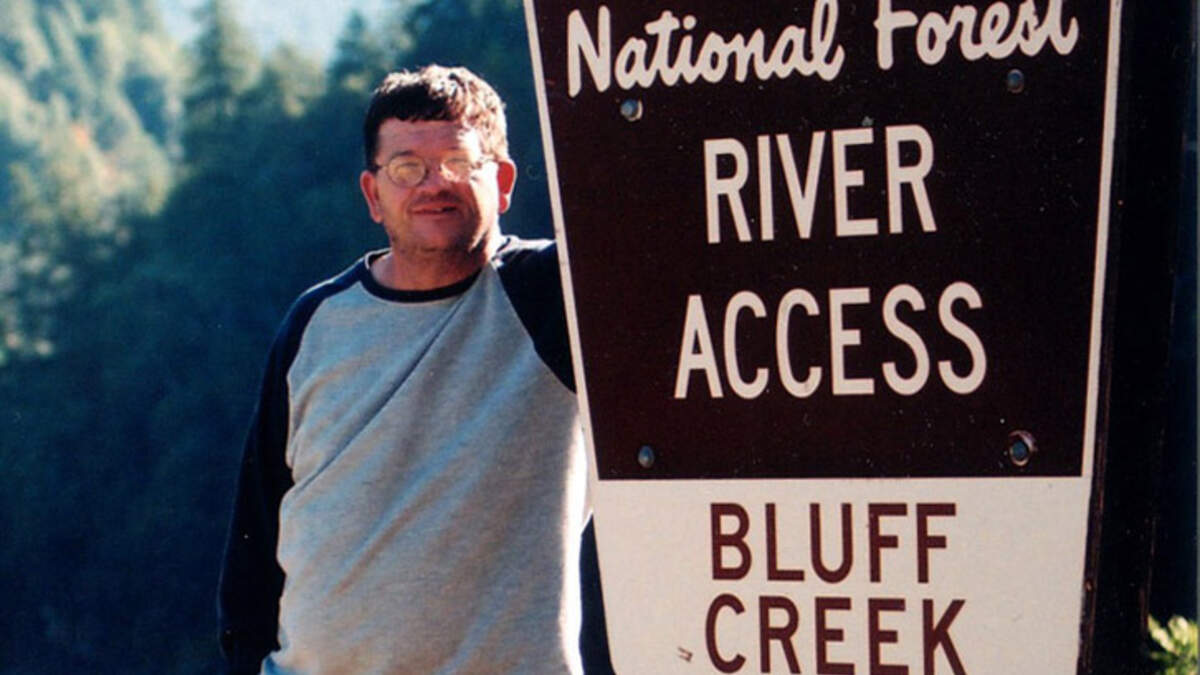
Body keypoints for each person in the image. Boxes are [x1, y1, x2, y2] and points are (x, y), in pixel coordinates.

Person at [218, 65, 610, 674]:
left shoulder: (552, 297)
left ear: (504, 181)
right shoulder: (315, 322)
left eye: (459, 161)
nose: (435, 184)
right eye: (406, 168)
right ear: (373, 195)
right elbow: (257, 530)